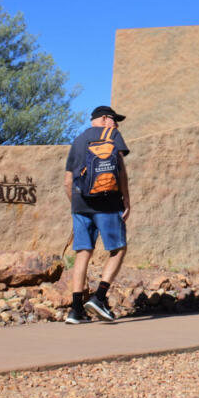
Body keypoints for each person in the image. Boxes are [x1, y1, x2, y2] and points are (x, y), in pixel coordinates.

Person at [63, 105, 131, 323]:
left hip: (80, 205)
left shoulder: (77, 141)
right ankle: (99, 297)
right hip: (108, 204)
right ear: (104, 118)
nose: (117, 124)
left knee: (83, 253)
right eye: (114, 119)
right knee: (119, 248)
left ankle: (75, 310)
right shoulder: (111, 135)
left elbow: (67, 180)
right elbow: (121, 171)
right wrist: (126, 201)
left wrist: (76, 204)